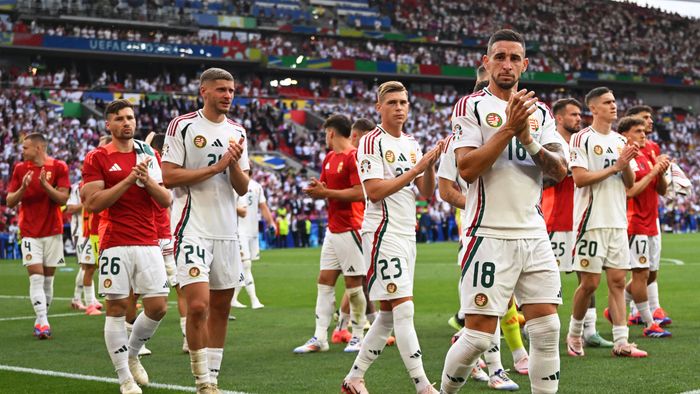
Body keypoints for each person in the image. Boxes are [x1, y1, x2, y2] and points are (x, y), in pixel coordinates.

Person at [440, 29, 567, 394]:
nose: (507, 64)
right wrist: (509, 129)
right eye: (500, 56)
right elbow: (466, 169)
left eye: (514, 58)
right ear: (486, 62)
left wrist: (526, 137)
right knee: (478, 337)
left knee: (546, 330)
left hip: (533, 233)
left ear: (524, 65)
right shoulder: (471, 107)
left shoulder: (540, 113)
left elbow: (559, 171)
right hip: (488, 234)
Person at [341, 81, 444, 394]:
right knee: (404, 308)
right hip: (383, 231)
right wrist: (416, 170)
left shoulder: (412, 143)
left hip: (405, 232)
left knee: (386, 315)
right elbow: (373, 192)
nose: (399, 107)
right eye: (392, 103)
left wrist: (428, 166)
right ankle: (423, 386)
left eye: (403, 102)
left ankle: (354, 379)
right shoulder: (371, 142)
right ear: (379, 108)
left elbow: (427, 193)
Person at [162, 67, 250, 393]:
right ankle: (201, 381)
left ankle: (212, 379)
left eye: (231, 90)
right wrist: (215, 167)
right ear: (204, 91)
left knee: (222, 309)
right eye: (221, 90)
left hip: (226, 230)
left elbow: (242, 188)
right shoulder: (183, 126)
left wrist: (235, 164)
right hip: (192, 227)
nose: (227, 95)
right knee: (198, 305)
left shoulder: (238, 131)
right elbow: (169, 177)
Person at [439, 79, 529, 385]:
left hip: (515, 227)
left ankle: (492, 360)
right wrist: (477, 204)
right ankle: (497, 367)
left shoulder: (519, 130)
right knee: (495, 303)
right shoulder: (457, 139)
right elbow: (446, 190)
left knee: (501, 302)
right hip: (477, 229)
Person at [82, 99, 172, 394]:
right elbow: (94, 203)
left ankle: (132, 355)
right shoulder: (97, 157)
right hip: (115, 241)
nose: (126, 123)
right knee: (117, 308)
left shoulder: (147, 153)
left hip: (148, 240)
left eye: (130, 117)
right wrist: (127, 181)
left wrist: (147, 181)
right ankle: (124, 378)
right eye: (119, 118)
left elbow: (165, 200)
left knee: (158, 307)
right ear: (108, 124)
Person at [565, 87, 647, 358]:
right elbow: (579, 178)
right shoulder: (581, 138)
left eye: (614, 102)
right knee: (589, 284)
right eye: (607, 102)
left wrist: (624, 165)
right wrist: (615, 166)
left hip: (617, 221)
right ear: (594, 109)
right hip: (591, 221)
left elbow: (630, 183)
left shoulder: (621, 141)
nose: (614, 106)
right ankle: (575, 334)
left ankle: (621, 342)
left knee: (618, 282)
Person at [542, 98, 614, 348]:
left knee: (587, 276)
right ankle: (529, 323)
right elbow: (544, 178)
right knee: (543, 275)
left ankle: (589, 330)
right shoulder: (551, 143)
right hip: (555, 217)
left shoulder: (583, 141)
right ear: (559, 119)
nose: (578, 118)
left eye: (579, 114)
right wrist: (564, 170)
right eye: (572, 115)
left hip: (580, 218)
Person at [294, 114, 367, 354]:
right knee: (324, 281)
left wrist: (326, 194)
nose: (325, 137)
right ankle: (319, 337)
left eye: (326, 133)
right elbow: (326, 189)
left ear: (332, 133)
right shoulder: (329, 158)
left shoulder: (353, 157)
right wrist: (317, 189)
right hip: (333, 229)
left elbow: (359, 193)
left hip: (352, 228)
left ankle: (357, 336)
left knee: (354, 285)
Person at [7, 133, 70, 339]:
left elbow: (62, 199)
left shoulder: (59, 167)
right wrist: (23, 188)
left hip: (53, 230)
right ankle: (43, 323)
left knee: (48, 282)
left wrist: (45, 185)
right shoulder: (19, 169)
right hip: (29, 231)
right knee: (36, 278)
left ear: (38, 148)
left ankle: (40, 320)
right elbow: (9, 201)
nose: (22, 151)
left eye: (25, 147)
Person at [617, 117, 671, 337]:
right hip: (635, 221)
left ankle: (616, 309)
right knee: (640, 274)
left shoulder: (648, 152)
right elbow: (630, 192)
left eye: (644, 131)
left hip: (651, 222)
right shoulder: (626, 156)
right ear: (625, 135)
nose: (643, 135)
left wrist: (661, 171)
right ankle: (649, 323)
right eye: (638, 131)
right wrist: (652, 172)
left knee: (648, 274)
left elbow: (662, 191)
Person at [333, 117, 380, 345]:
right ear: (356, 136)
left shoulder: (366, 156)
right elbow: (359, 193)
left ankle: (351, 323)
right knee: (359, 278)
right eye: (367, 137)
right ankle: (347, 326)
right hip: (356, 223)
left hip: (362, 222)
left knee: (362, 277)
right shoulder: (354, 156)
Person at [231, 174, 277, 309]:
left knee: (244, 266)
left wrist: (271, 223)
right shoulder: (243, 185)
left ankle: (233, 298)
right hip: (239, 231)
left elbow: (263, 207)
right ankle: (254, 300)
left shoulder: (254, 186)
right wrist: (271, 223)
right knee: (246, 265)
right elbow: (263, 207)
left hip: (252, 231)